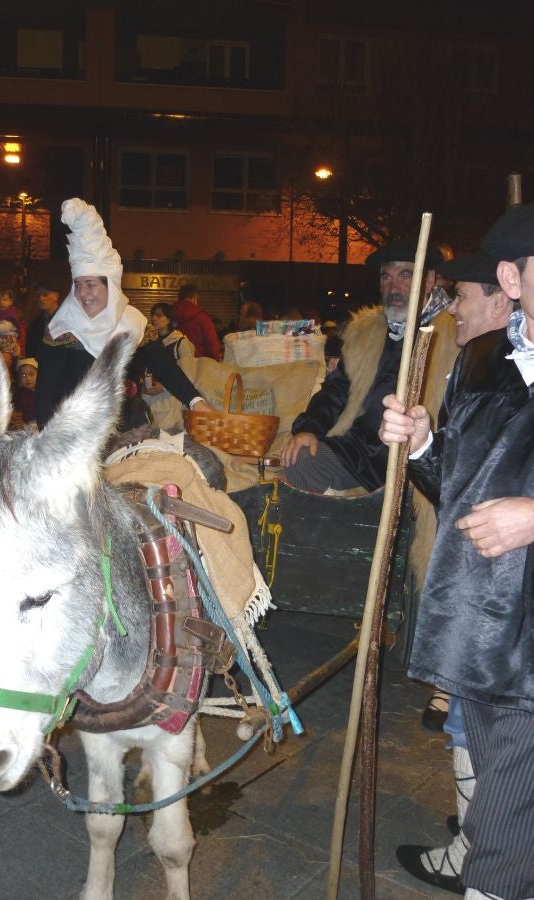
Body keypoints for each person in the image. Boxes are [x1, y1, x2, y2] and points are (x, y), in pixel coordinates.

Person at [380, 204, 534, 900]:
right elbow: (461, 492)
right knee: (504, 825)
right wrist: (420, 444)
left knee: (501, 841)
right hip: (483, 632)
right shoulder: (490, 365)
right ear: (513, 277)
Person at [281, 237, 446, 494]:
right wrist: (308, 429)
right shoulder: (366, 333)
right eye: (386, 278)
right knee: (299, 460)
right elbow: (336, 391)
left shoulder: (448, 334)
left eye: (405, 276)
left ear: (429, 280)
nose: (394, 287)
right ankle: (340, 525)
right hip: (357, 451)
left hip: (413, 457)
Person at [35, 199, 212, 430]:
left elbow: (165, 367)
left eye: (90, 285)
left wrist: (195, 401)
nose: (83, 294)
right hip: (73, 433)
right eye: (77, 285)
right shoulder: (62, 330)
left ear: (110, 287)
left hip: (124, 428)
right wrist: (51, 444)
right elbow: (45, 395)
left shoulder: (131, 323)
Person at [172, 282, 221, 360]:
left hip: (175, 361)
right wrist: (216, 360)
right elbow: (212, 343)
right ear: (194, 298)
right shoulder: (202, 316)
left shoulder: (168, 314)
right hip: (198, 364)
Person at [25, 282, 60, 358]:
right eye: (38, 295)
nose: (41, 298)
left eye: (45, 294)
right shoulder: (36, 322)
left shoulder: (65, 320)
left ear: (56, 296)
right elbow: (30, 349)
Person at [0, 287, 25, 354]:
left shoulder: (11, 314)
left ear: (11, 302)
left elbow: (6, 327)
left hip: (10, 343)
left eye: (5, 300)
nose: (1, 302)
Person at [12, 356, 38, 429]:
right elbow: (17, 417)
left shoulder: (45, 392)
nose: (28, 378)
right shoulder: (19, 396)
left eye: (31, 374)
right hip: (27, 428)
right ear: (19, 378)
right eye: (23, 375)